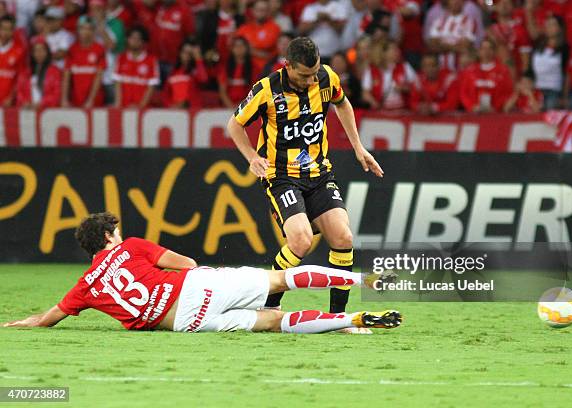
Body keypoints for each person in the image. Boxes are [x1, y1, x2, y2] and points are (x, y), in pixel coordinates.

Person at [2, 212, 402, 334]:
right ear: (109, 235)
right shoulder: (131, 246)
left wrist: (11, 325)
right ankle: (362, 282)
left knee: (276, 322)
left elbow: (45, 319)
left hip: (186, 323)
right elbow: (188, 264)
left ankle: (348, 321)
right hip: (198, 286)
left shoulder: (85, 286)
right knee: (278, 280)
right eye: (115, 229)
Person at [226, 37, 384, 334]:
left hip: (319, 173)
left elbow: (343, 104)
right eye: (303, 75)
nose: (311, 80)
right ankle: (270, 307)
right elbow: (234, 124)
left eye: (314, 74)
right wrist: (251, 157)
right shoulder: (266, 90)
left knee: (343, 237)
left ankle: (338, 319)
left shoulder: (326, 77)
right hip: (281, 175)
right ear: (288, 66)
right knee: (299, 240)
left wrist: (358, 147)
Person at [61, 16, 107, 108]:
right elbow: (66, 76)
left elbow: (98, 76)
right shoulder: (72, 49)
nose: (85, 32)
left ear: (93, 31)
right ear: (78, 30)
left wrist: (91, 100)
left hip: (95, 101)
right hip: (75, 99)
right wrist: (64, 99)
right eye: (82, 28)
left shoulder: (99, 49)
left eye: (89, 29)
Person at [460, 38, 513, 113]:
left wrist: (495, 107)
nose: (486, 51)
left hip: (495, 115)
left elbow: (507, 93)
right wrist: (472, 107)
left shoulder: (503, 71)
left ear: (494, 52)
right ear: (478, 52)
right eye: (483, 48)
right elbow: (464, 93)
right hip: (474, 114)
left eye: (490, 48)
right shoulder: (469, 71)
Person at [361, 41, 418, 110]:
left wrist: (404, 88)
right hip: (380, 113)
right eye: (394, 49)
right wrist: (375, 103)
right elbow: (365, 93)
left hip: (403, 111)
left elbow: (418, 87)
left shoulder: (405, 67)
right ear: (384, 53)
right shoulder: (371, 71)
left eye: (397, 49)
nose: (398, 51)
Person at [112, 26, 160, 108]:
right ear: (127, 39)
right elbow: (117, 83)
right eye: (132, 38)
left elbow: (151, 86)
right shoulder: (121, 58)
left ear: (143, 42)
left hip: (142, 110)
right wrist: (118, 104)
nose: (135, 41)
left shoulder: (151, 60)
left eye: (138, 39)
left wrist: (140, 106)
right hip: (123, 107)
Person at [530, 15, 568, 111]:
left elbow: (567, 73)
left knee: (550, 121)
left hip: (554, 91)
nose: (549, 27)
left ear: (560, 28)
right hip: (537, 89)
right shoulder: (538, 45)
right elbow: (531, 67)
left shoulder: (564, 48)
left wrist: (564, 96)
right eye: (548, 24)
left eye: (553, 24)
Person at [235, 0, 281, 76]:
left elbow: (268, 45)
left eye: (263, 10)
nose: (261, 13)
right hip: (247, 71)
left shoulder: (274, 28)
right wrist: (258, 52)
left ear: (268, 12)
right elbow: (236, 48)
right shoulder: (244, 28)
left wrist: (248, 49)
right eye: (258, 10)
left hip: (267, 71)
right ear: (252, 11)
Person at [16, 36, 62, 108]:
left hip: (47, 111)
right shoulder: (25, 72)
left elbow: (56, 94)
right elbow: (19, 92)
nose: (39, 53)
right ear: (32, 53)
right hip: (28, 111)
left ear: (47, 52)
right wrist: (25, 102)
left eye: (42, 50)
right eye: (36, 50)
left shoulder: (55, 71)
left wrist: (42, 103)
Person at [298, 0, 347, 64]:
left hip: (334, 54)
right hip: (314, 54)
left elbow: (342, 29)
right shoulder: (310, 8)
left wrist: (328, 19)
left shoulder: (339, 7)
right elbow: (301, 30)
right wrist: (317, 20)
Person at [164, 41, 208, 108]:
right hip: (175, 112)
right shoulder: (173, 73)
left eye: (190, 53)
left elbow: (204, 79)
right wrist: (170, 106)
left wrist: (198, 59)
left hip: (192, 111)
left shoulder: (195, 71)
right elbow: (166, 95)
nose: (187, 55)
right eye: (184, 52)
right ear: (180, 53)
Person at [218, 36, 254, 108]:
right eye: (236, 46)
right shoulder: (225, 67)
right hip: (228, 108)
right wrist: (231, 107)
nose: (239, 48)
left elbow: (255, 91)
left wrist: (243, 107)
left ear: (247, 48)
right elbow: (222, 92)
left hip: (247, 107)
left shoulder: (254, 67)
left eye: (242, 46)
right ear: (232, 49)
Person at [0, 14, 25, 107]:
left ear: (13, 31)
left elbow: (20, 77)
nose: (5, 32)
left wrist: (11, 97)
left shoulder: (19, 50)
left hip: (8, 102)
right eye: (3, 28)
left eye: (9, 29)